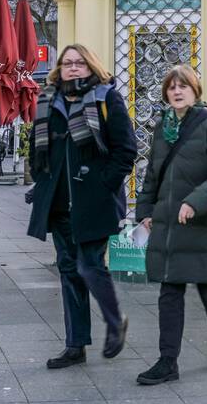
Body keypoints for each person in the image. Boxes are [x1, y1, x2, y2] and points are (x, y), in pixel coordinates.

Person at [25, 44, 137, 370]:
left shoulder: (105, 98)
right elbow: (36, 145)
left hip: (94, 202)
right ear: (59, 68)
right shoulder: (48, 100)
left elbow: (126, 150)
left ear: (91, 67)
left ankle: (115, 321)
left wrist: (105, 185)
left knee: (89, 266)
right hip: (58, 202)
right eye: (67, 63)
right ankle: (75, 345)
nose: (73, 68)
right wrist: (40, 178)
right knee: (69, 271)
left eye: (80, 63)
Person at [134, 64, 207, 385]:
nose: (177, 92)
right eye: (171, 87)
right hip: (169, 226)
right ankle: (168, 362)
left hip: (205, 225)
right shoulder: (161, 128)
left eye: (183, 86)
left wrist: (196, 201)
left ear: (196, 91)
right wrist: (146, 210)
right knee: (170, 292)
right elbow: (152, 175)